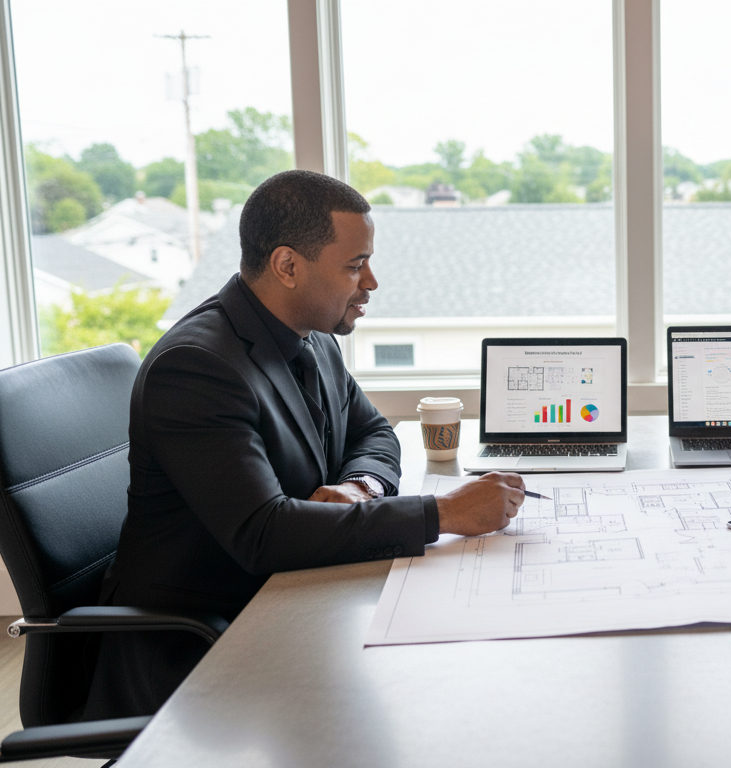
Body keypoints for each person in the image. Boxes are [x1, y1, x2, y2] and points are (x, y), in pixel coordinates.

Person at [83, 170, 525, 719]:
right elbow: (263, 535)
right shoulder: (197, 368)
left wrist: (359, 486)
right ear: (288, 266)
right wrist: (445, 512)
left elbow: (374, 432)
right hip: (202, 650)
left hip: (299, 597)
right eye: (354, 264)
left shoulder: (312, 335)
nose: (371, 283)